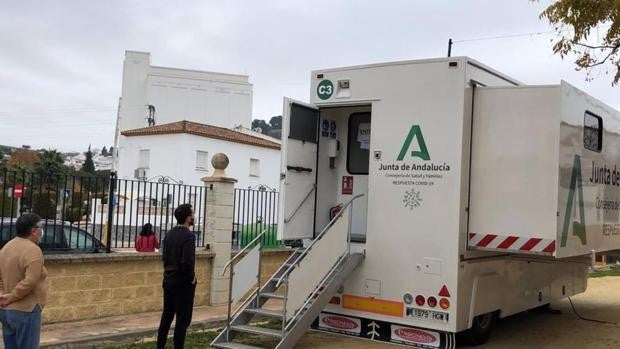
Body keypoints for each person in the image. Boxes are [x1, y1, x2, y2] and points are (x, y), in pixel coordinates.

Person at [0, 213, 48, 349]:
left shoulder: (6, 247)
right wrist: (11, 297)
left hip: (5, 311)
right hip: (26, 310)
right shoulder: (33, 250)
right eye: (41, 227)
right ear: (33, 231)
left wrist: (2, 293)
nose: (42, 230)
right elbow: (30, 282)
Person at [156, 204, 197, 349]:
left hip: (168, 280)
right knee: (182, 320)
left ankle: (160, 346)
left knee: (166, 316)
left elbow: (165, 257)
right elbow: (187, 262)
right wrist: (192, 278)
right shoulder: (189, 236)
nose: (194, 217)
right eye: (192, 214)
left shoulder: (169, 234)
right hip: (183, 283)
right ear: (188, 218)